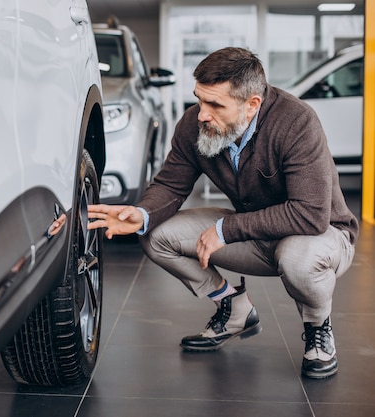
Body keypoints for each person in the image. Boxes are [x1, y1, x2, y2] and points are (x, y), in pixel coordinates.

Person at [87, 47, 358, 379]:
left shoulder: (296, 121)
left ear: (252, 104)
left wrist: (226, 229)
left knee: (297, 259)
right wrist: (140, 214)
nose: (202, 113)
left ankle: (318, 327)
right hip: (257, 236)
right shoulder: (194, 124)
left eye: (215, 105)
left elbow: (310, 214)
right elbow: (171, 185)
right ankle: (233, 308)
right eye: (200, 100)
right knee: (156, 235)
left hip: (321, 238)